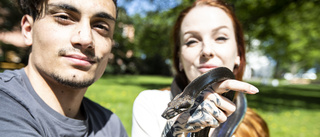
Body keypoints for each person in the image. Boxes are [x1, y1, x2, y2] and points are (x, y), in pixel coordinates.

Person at [132, 0, 268, 136]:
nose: (206, 50)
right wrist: (176, 129)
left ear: (238, 53)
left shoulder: (255, 127)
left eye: (220, 38)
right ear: (179, 58)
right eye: (191, 41)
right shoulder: (151, 105)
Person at [0, 0, 128, 136]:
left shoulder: (111, 126)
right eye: (64, 17)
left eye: (100, 26)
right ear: (28, 30)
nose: (85, 39)